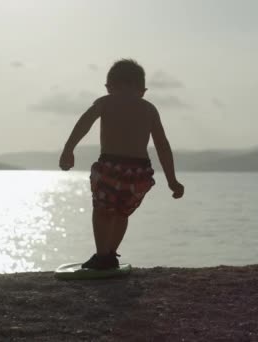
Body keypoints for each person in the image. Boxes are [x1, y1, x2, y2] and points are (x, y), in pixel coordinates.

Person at [59, 59, 184, 270]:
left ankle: (102, 255)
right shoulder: (149, 109)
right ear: (142, 90)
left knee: (102, 210)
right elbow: (162, 145)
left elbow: (84, 122)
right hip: (139, 172)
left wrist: (68, 149)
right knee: (121, 213)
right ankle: (110, 254)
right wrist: (172, 180)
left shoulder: (106, 102)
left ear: (109, 87)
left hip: (111, 167)